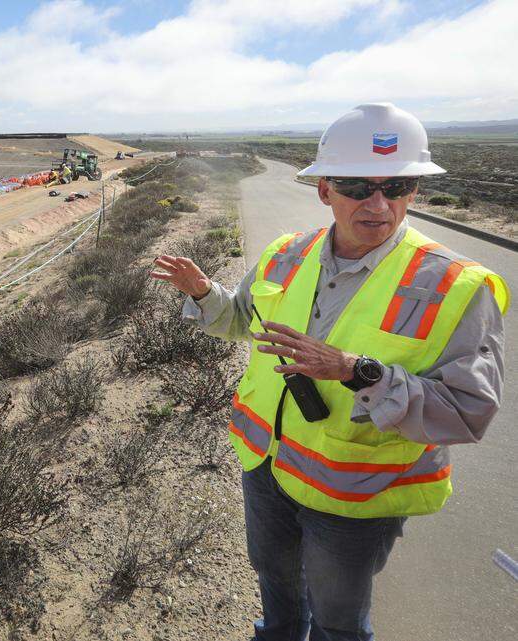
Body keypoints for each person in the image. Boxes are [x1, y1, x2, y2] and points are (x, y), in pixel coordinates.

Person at [150, 103, 508, 641]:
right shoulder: (286, 254)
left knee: (339, 621)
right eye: (358, 185)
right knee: (276, 586)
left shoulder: (457, 285)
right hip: (267, 465)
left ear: (416, 190)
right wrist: (205, 294)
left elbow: (468, 411)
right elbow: (246, 321)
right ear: (325, 190)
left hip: (353, 494)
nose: (378, 203)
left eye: (398, 186)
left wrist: (355, 372)